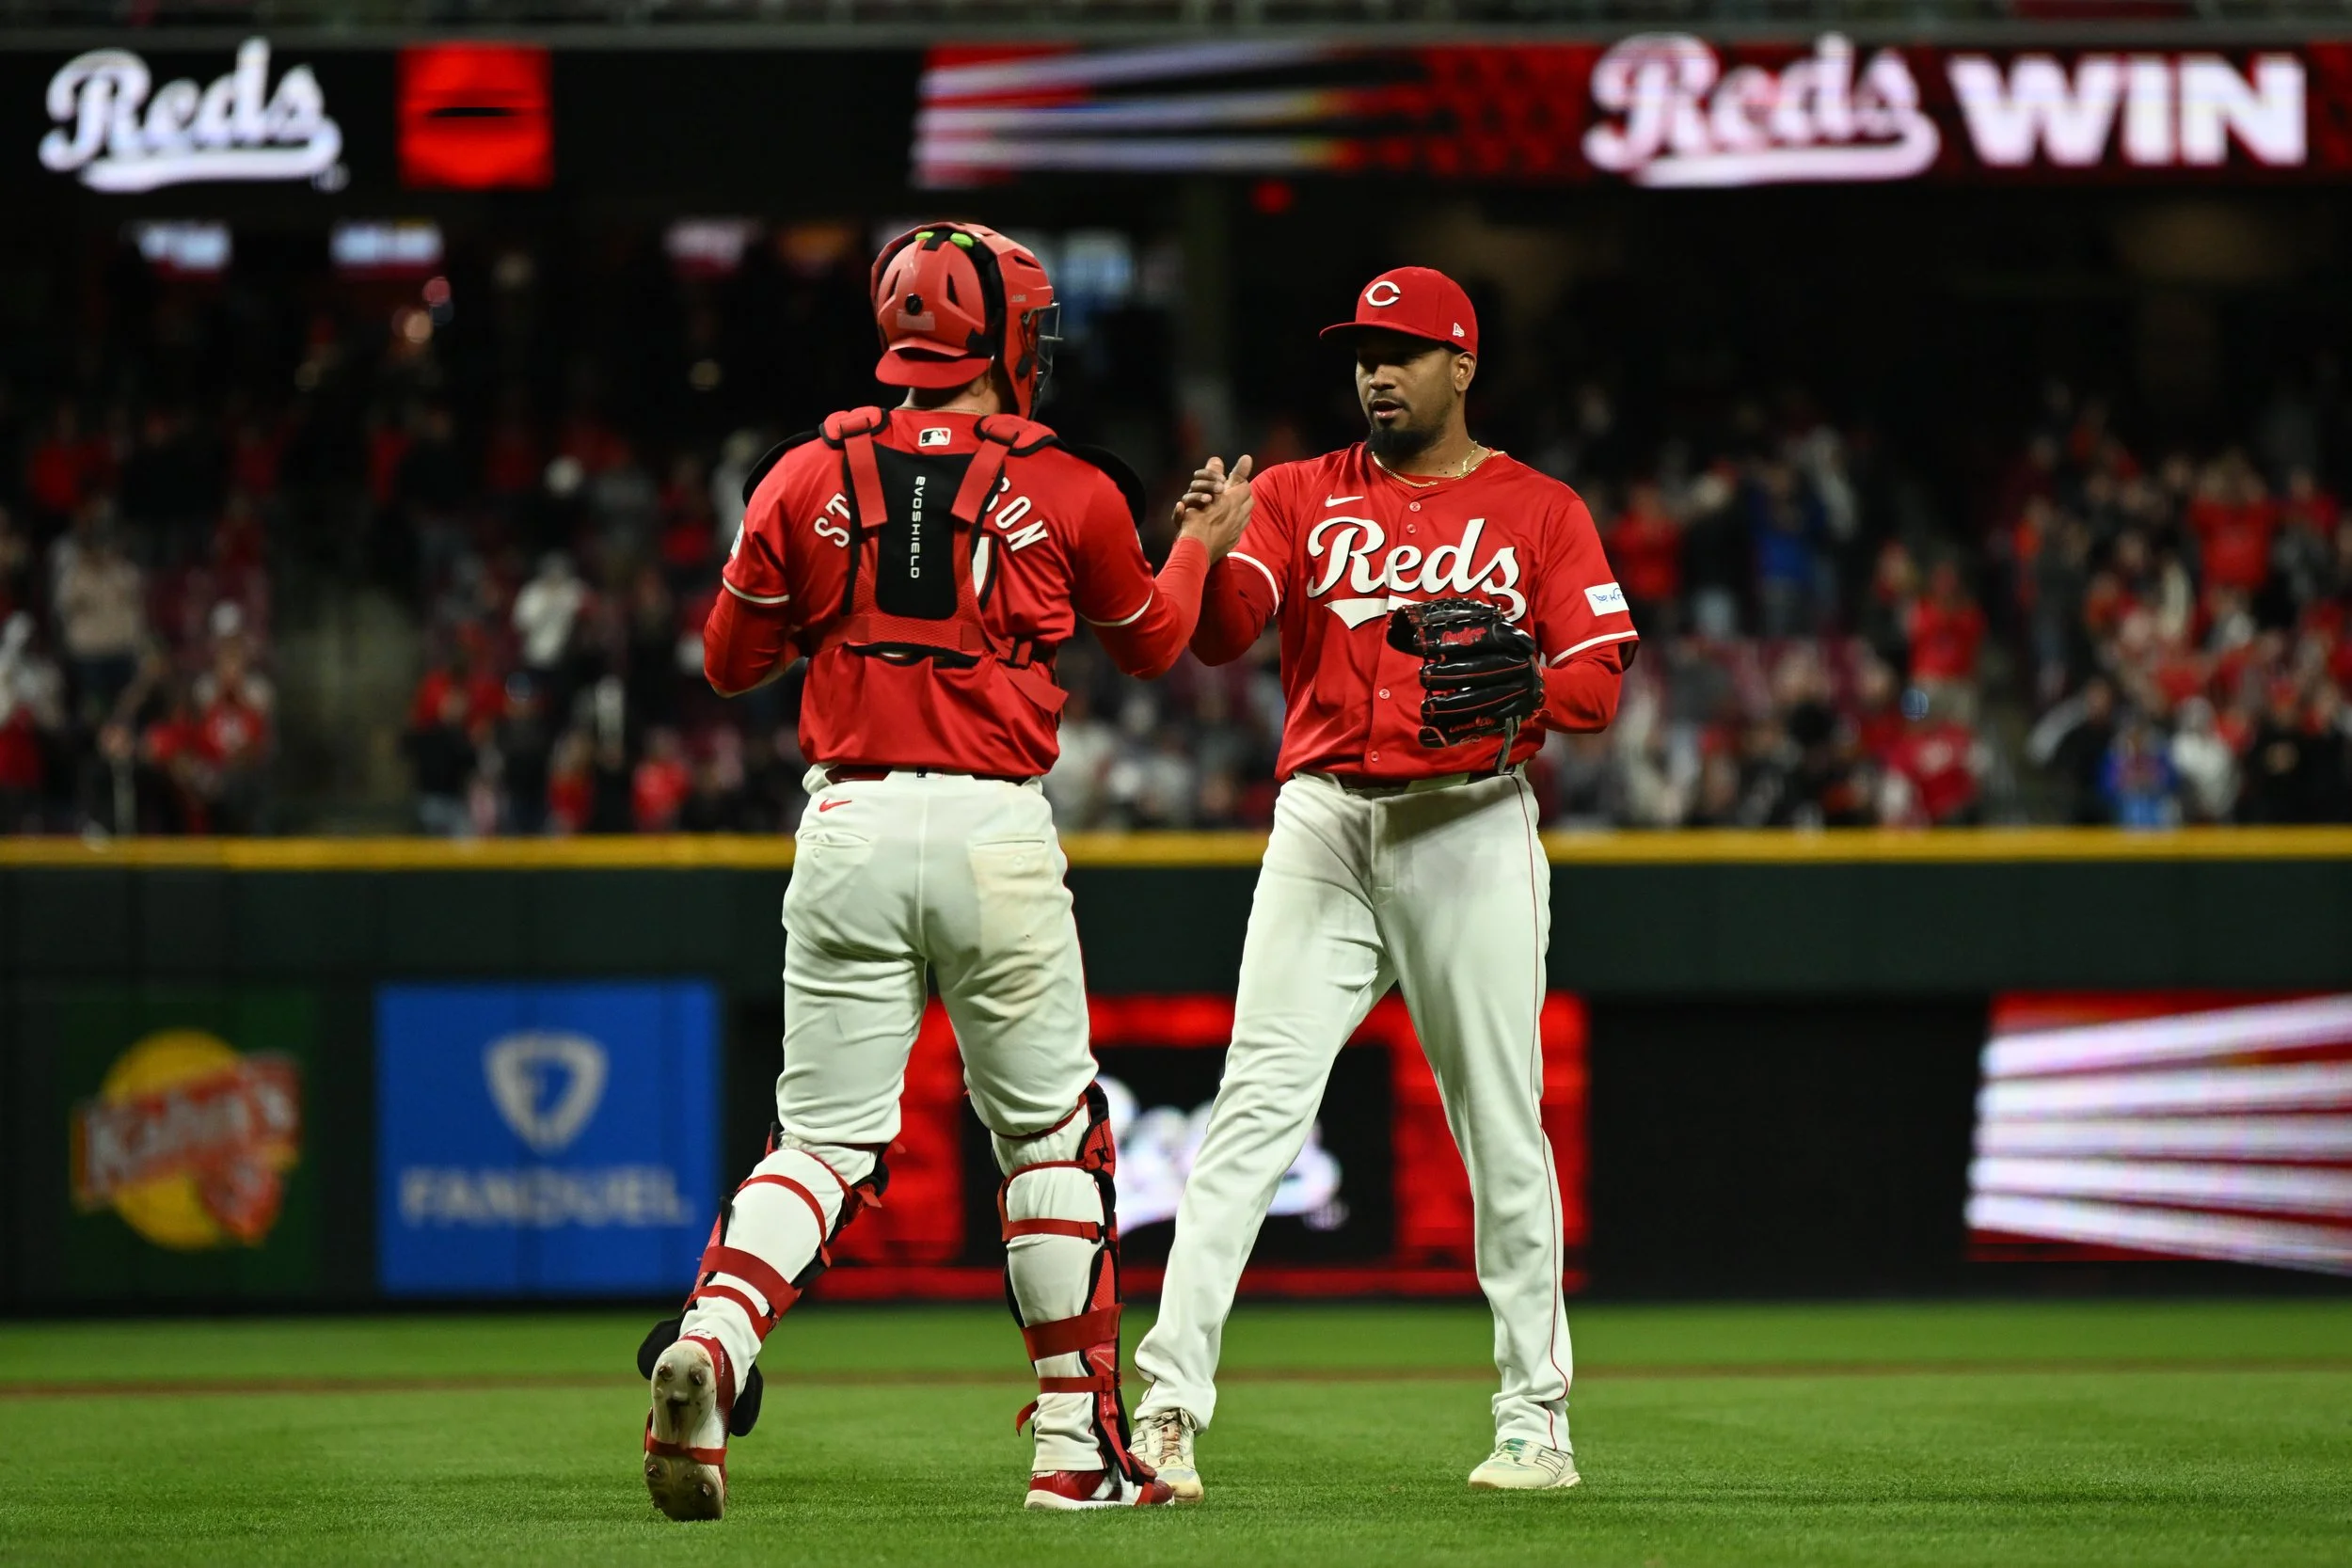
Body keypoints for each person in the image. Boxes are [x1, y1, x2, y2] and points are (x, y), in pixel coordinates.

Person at [638, 222, 1253, 1519]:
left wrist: (819, 597)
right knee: (1047, 1135)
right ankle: (1076, 1453)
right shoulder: (1073, 482)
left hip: (849, 818)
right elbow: (1153, 643)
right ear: (1010, 339)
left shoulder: (802, 473)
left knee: (819, 1140)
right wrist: (1204, 537)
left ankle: (715, 1342)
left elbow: (726, 665)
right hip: (992, 827)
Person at [1130, 267, 1634, 1497]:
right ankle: (1164, 1413)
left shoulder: (1542, 509)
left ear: (1463, 366)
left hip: (1470, 825)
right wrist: (1198, 548)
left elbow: (1600, 686)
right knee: (1248, 1116)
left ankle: (1536, 1423)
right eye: (1364, 351)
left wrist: (1531, 688)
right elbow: (1221, 634)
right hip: (1323, 824)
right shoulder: (1300, 496)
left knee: (1500, 1125)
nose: (1377, 371)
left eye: (1404, 351)